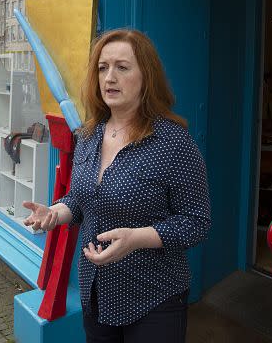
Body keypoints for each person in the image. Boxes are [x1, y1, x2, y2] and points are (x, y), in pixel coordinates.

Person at [22, 29, 211, 343]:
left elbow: (197, 223)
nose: (110, 77)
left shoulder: (173, 143)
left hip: (153, 297)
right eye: (103, 68)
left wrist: (137, 238)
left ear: (146, 77)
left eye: (122, 67)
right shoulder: (88, 135)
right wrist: (56, 212)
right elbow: (82, 200)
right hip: (95, 291)